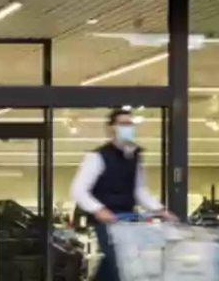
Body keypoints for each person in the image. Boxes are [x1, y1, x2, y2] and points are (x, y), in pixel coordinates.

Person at [70, 109, 177, 281]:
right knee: (118, 261)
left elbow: (140, 190)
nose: (128, 128)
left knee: (119, 263)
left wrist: (160, 210)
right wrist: (99, 210)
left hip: (128, 220)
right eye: (123, 124)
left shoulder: (135, 157)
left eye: (130, 124)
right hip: (106, 221)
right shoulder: (97, 157)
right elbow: (78, 190)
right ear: (111, 128)